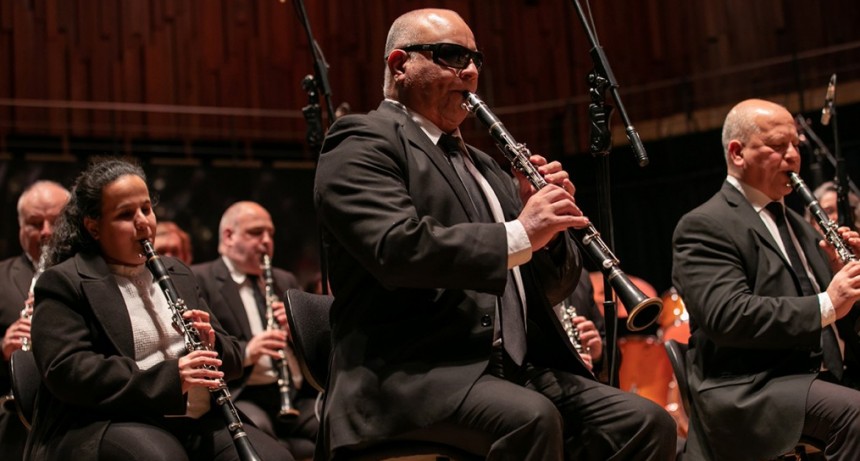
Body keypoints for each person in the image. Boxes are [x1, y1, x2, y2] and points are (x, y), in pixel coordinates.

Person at [313, 8, 676, 460]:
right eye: (449, 55)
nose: (468, 70)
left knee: (646, 424)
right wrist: (523, 230)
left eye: (475, 59)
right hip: (410, 374)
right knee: (532, 418)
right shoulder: (362, 141)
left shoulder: (486, 167)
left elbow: (551, 286)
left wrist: (550, 231)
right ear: (399, 65)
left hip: (510, 371)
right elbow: (396, 248)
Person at [27, 158, 291, 460]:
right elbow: (68, 371)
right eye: (125, 214)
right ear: (94, 227)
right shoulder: (64, 282)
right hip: (109, 421)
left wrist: (211, 343)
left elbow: (230, 358)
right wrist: (172, 377)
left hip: (196, 419)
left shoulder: (176, 272)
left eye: (146, 209)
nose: (143, 222)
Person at [672, 98, 860, 460]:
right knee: (855, 414)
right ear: (738, 153)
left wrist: (843, 276)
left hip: (810, 376)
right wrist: (828, 302)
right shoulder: (704, 225)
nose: (792, 156)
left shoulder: (802, 227)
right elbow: (727, 315)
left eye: (795, 146)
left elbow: (835, 314)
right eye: (777, 146)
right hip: (751, 387)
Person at [192, 201, 317, 460]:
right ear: (228, 236)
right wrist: (250, 350)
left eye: (270, 234)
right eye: (256, 232)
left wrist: (296, 333)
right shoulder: (201, 279)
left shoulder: (284, 279)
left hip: (293, 395)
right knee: (262, 439)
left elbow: (311, 348)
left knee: (334, 422)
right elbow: (200, 345)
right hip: (244, 392)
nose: (266, 241)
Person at [0, 180, 69, 460]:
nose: (46, 232)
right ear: (19, 227)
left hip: (76, 413)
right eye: (35, 223)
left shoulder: (95, 275)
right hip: (12, 422)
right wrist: (2, 346)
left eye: (56, 221)